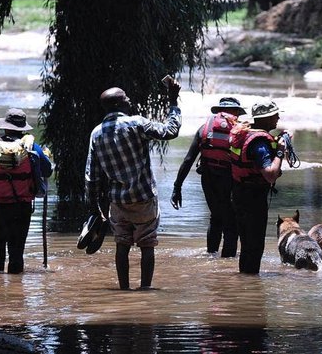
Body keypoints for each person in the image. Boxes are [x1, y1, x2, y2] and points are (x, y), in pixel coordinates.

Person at [85, 81, 181, 290]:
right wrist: (173, 100)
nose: (130, 100)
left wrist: (95, 208)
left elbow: (92, 176)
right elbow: (171, 131)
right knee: (147, 243)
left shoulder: (96, 133)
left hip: (118, 201)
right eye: (126, 97)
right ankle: (145, 290)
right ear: (120, 104)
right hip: (144, 197)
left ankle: (124, 290)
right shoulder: (136, 124)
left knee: (122, 243)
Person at [0, 108, 53, 274]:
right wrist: (44, 156)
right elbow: (48, 171)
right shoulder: (31, 148)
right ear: (23, 128)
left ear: (5, 127)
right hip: (21, 205)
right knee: (17, 245)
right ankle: (16, 284)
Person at [171, 97, 246, 257]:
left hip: (209, 180)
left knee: (216, 217)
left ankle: (211, 256)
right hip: (229, 181)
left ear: (219, 112)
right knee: (231, 225)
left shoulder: (204, 129)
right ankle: (226, 266)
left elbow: (188, 160)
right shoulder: (240, 132)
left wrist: (177, 187)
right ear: (236, 112)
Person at [229, 100, 288, 274]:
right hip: (253, 198)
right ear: (266, 118)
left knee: (247, 243)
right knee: (255, 245)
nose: (278, 117)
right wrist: (280, 152)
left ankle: (243, 282)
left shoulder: (246, 133)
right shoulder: (260, 143)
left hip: (239, 193)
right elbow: (270, 175)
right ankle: (250, 288)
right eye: (275, 115)